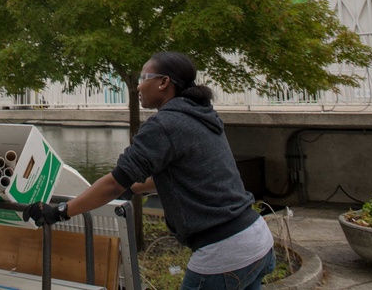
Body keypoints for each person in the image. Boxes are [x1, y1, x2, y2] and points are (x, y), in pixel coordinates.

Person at [24, 51, 275, 290]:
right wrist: (133, 187)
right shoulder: (199, 114)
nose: (137, 87)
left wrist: (59, 212)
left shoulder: (165, 124)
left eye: (144, 78)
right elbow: (181, 173)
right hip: (256, 238)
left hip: (223, 252)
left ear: (164, 82)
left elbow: (113, 183)